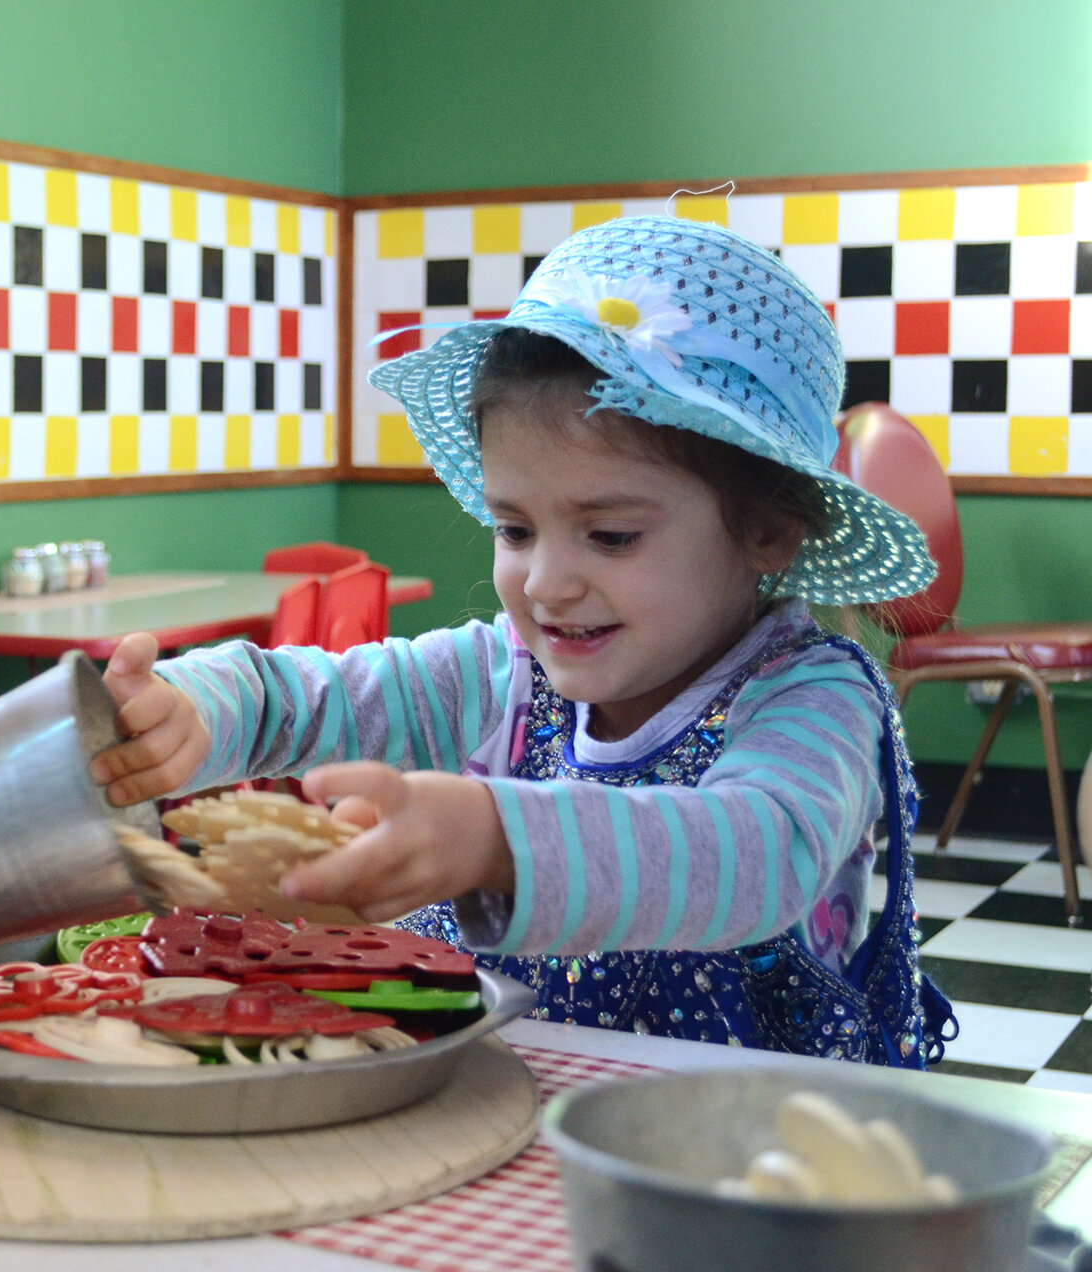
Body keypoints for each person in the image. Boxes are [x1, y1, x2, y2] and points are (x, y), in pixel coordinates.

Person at [90, 215, 955, 1067]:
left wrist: (496, 840)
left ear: (767, 533)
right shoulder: (504, 672)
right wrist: (196, 707)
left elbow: (758, 850)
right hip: (515, 1115)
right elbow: (308, 696)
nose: (545, 583)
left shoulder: (812, 699)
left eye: (610, 536)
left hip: (741, 1155)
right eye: (514, 530)